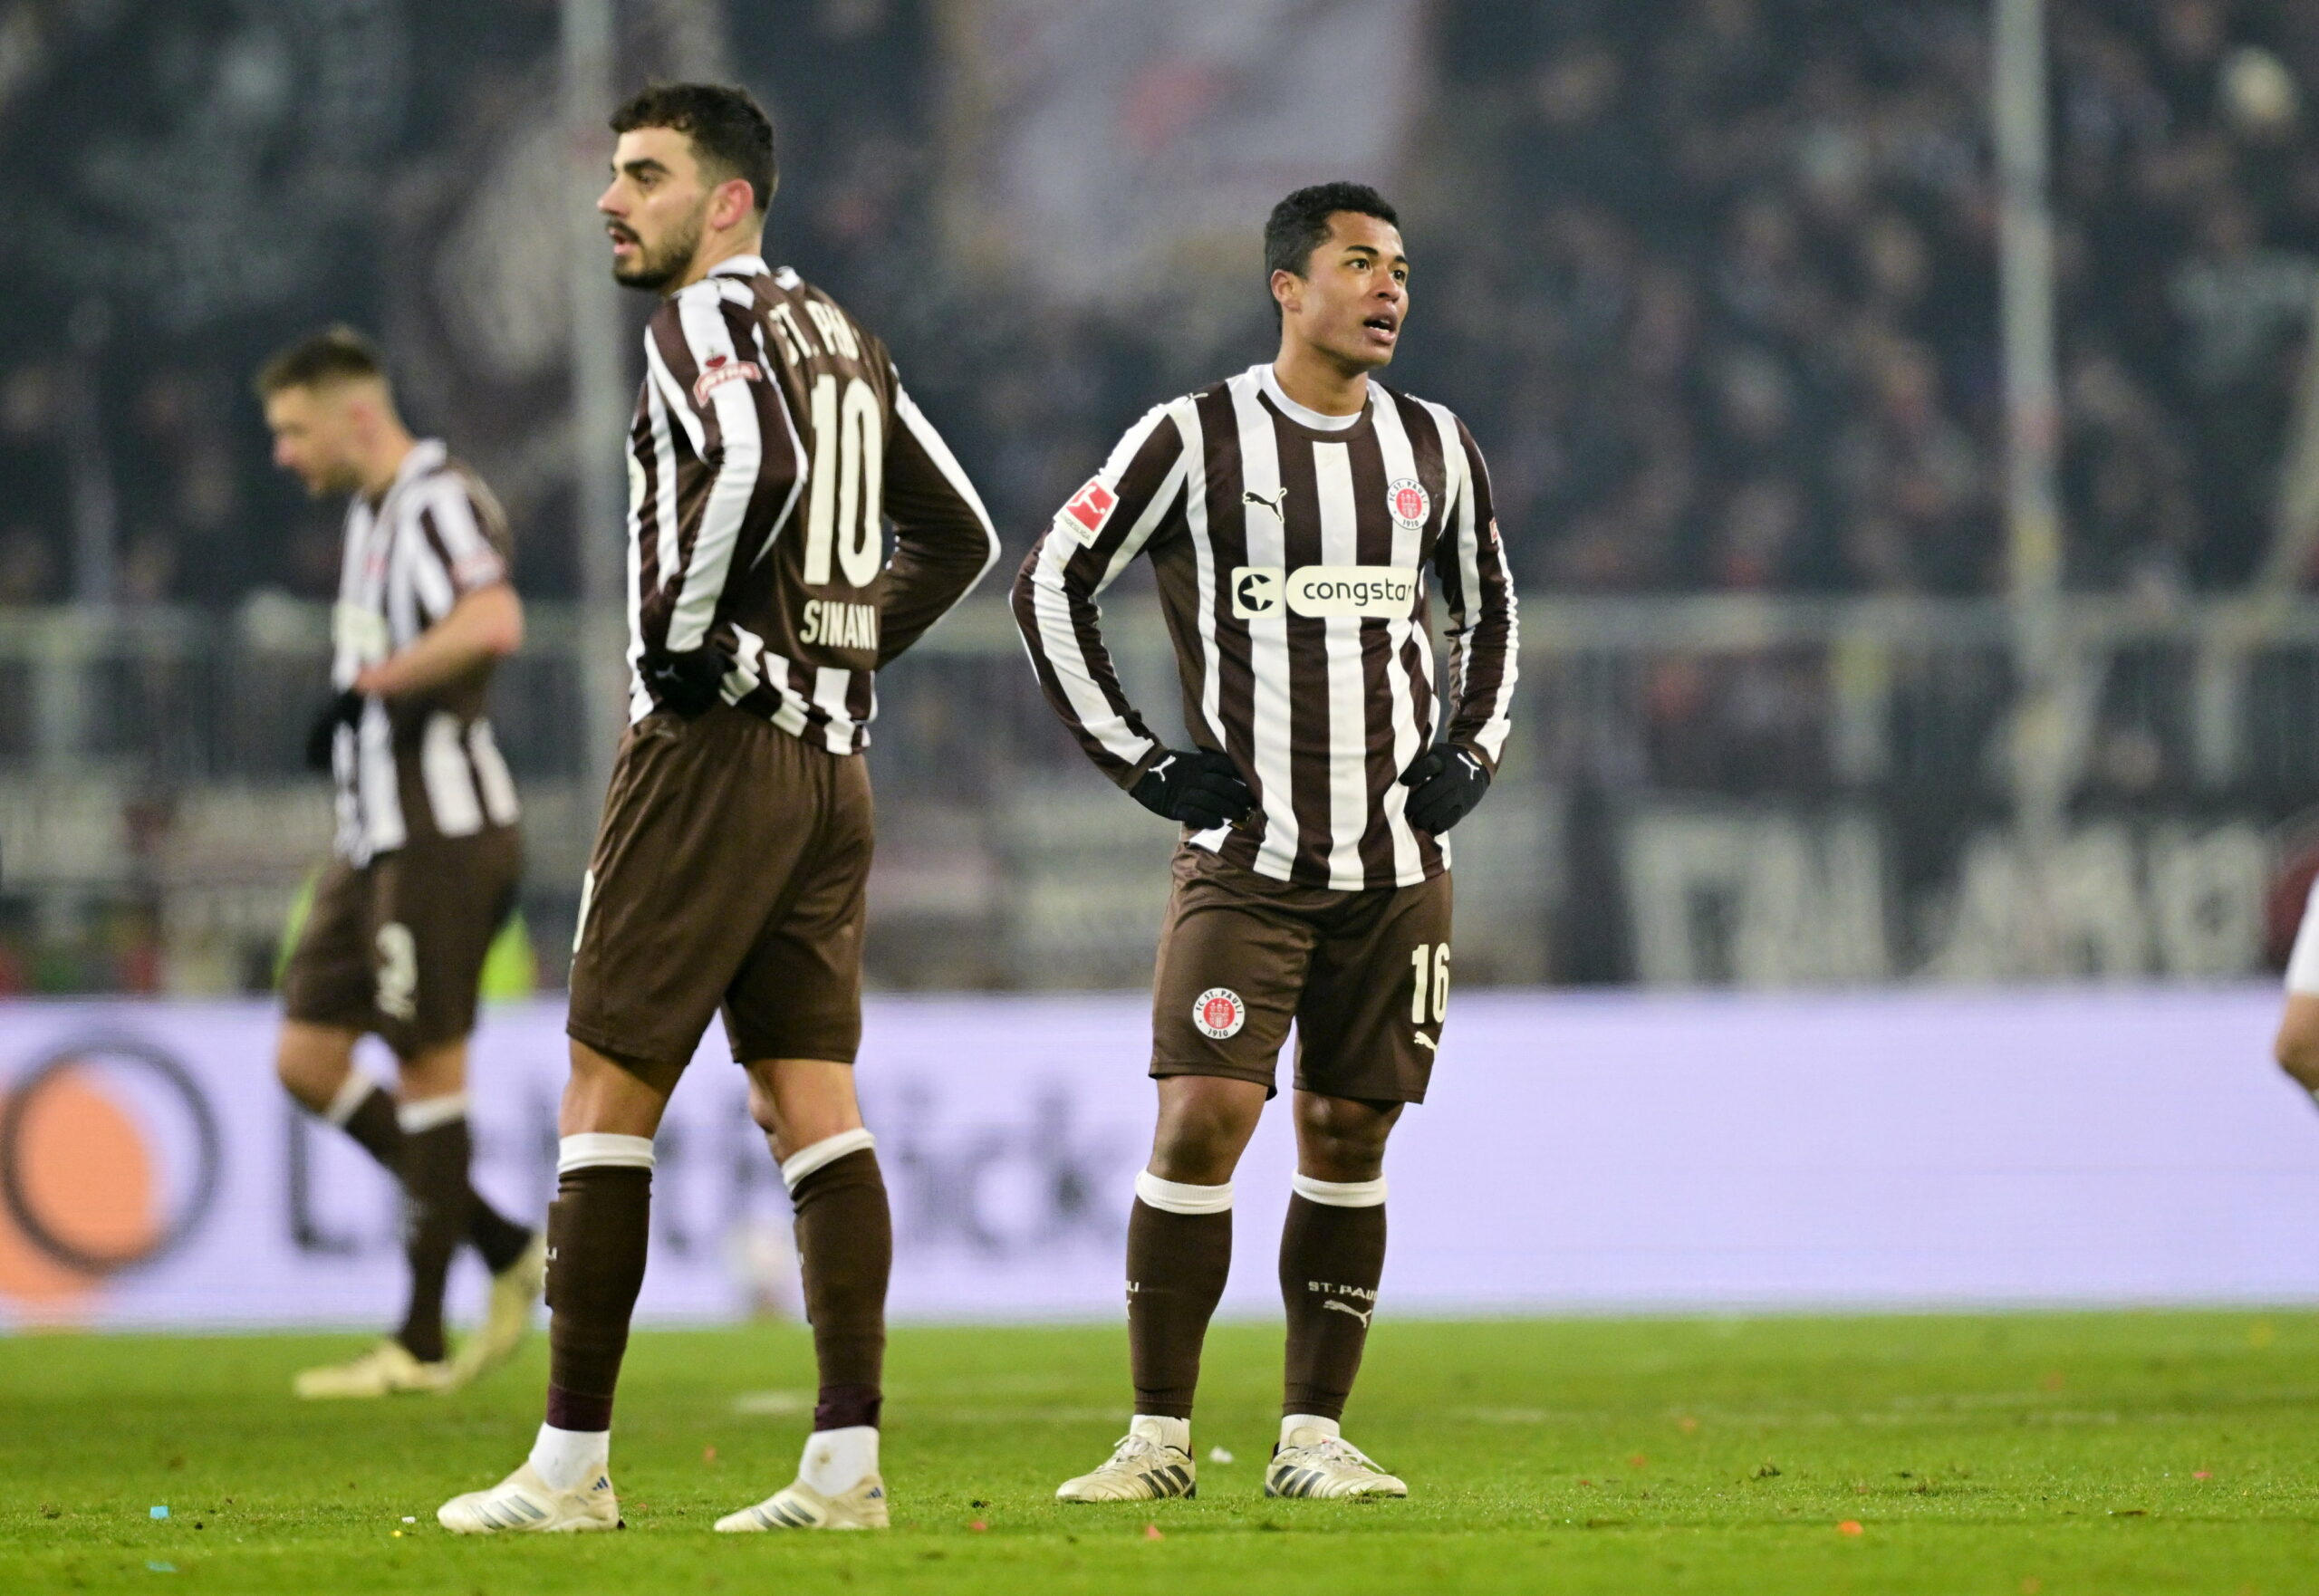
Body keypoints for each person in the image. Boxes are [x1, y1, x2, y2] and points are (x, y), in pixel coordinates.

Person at [438, 82, 997, 1535]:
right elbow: (962, 529)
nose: (614, 200)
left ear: (728, 201)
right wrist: (842, 646)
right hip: (829, 771)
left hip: (711, 752)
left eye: (645, 174)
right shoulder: (843, 335)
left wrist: (692, 641)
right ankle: (845, 1463)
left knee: (603, 1093)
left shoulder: (700, 322)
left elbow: (743, 458)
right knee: (807, 1101)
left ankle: (569, 1468)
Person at [1014, 182, 1517, 1502]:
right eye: (1360, 263)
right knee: (1203, 1118)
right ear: (1288, 287)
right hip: (1251, 861)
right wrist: (1141, 760)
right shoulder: (1196, 435)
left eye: (1402, 266)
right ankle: (1156, 1440)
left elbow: (1496, 615)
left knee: (1351, 1130)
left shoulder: (1437, 449)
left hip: (1397, 870)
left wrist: (1473, 748)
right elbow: (1050, 581)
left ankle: (1314, 1436)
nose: (1391, 289)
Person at [258, 327, 542, 1399]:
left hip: (440, 829)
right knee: (306, 1057)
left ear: (356, 416)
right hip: (370, 834)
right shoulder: (372, 513)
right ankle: (506, 1241)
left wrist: (373, 687)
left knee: (428, 1069)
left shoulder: (433, 498)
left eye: (294, 430)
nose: (284, 453)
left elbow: (494, 616)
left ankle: (419, 1343)